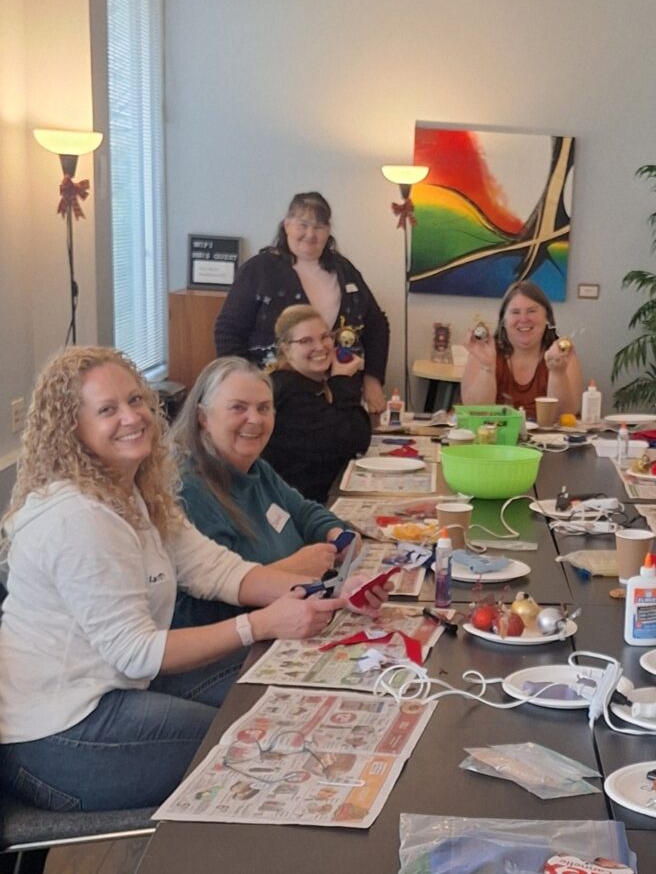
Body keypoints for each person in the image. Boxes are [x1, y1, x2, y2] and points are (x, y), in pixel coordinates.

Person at [0, 347, 384, 812]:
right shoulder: (77, 516)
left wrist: (337, 591)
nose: (131, 417)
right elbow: (138, 653)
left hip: (117, 689)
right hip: (61, 735)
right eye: (107, 409)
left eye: (136, 400)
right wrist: (261, 624)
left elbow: (219, 571)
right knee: (264, 742)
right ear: (71, 429)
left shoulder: (133, 490)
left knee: (269, 696)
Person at [168, 357, 362, 625]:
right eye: (238, 408)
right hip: (239, 647)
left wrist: (335, 534)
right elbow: (204, 608)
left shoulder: (257, 470)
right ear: (203, 418)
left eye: (264, 408)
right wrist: (292, 571)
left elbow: (304, 511)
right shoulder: (189, 490)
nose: (255, 419)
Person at [214, 191, 390, 415]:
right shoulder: (259, 270)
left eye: (319, 226)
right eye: (303, 225)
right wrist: (243, 384)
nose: (310, 234)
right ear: (287, 225)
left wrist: (372, 379)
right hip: (276, 397)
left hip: (340, 394)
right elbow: (228, 330)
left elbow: (377, 325)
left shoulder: (344, 270)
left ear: (328, 231)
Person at [262, 305, 372, 503]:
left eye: (325, 337)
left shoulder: (311, 383)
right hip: (301, 508)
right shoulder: (290, 395)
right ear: (286, 349)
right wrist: (342, 381)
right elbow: (355, 440)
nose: (320, 347)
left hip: (319, 496)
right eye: (306, 341)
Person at [461, 280, 583, 420]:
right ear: (504, 322)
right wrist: (486, 366)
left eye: (532, 311)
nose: (523, 319)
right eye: (515, 312)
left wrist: (557, 372)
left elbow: (563, 416)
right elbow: (476, 413)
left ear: (547, 319)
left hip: (548, 439)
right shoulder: (484, 353)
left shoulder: (563, 355)